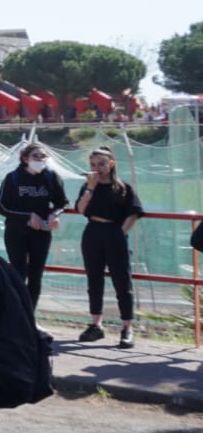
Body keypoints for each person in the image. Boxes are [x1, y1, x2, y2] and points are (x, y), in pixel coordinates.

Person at [75, 145, 144, 348]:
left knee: (122, 282)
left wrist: (121, 232)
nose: (98, 168)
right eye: (94, 164)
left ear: (111, 164)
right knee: (94, 280)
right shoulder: (88, 186)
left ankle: (127, 328)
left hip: (114, 232)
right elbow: (80, 209)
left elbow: (134, 212)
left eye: (102, 164)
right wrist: (90, 187)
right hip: (92, 232)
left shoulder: (123, 187)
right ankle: (96, 325)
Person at [0, 143, 67, 310]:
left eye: (43, 156)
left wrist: (54, 215)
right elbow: (2, 207)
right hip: (16, 231)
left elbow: (61, 202)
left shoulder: (51, 177)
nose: (40, 159)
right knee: (18, 273)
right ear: (25, 158)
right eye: (36, 156)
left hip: (41, 232)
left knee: (36, 275)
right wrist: (28, 215)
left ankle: (30, 315)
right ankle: (15, 314)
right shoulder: (13, 178)